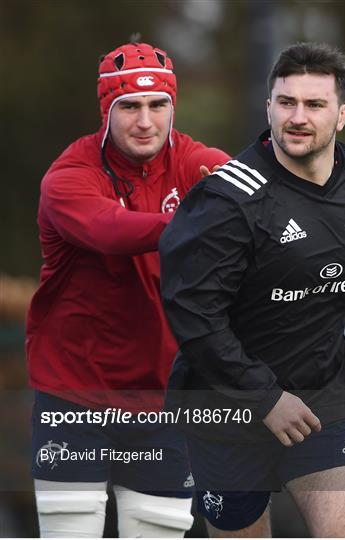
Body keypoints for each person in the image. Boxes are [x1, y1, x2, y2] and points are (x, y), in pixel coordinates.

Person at [159, 42, 345, 537]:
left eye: (315, 105)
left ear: (342, 115)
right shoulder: (227, 201)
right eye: (286, 102)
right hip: (226, 407)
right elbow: (195, 315)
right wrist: (265, 397)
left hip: (324, 396)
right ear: (268, 106)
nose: (298, 116)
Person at [26, 41, 229, 538]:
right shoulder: (69, 175)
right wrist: (196, 219)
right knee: (70, 529)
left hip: (163, 394)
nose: (145, 121)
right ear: (107, 111)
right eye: (130, 107)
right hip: (73, 391)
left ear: (172, 109)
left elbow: (252, 196)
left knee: (159, 529)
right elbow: (108, 230)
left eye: (158, 105)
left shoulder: (196, 162)